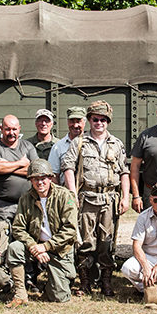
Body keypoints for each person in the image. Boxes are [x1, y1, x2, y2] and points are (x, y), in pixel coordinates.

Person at [61, 100, 130, 296]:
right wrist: (73, 194)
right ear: (89, 120)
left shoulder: (116, 144)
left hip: (109, 199)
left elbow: (124, 172)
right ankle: (85, 282)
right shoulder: (79, 142)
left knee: (107, 241)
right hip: (87, 198)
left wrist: (125, 197)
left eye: (103, 120)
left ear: (108, 121)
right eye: (95, 119)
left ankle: (106, 282)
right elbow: (68, 167)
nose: (99, 123)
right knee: (85, 240)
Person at [5, 159, 79, 307]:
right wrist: (34, 246)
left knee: (59, 297)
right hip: (35, 247)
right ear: (30, 180)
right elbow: (18, 227)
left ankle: (54, 282)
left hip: (59, 250)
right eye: (35, 179)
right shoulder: (26, 198)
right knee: (14, 248)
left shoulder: (64, 196)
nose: (40, 182)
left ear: (50, 178)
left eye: (43, 178)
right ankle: (20, 293)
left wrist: (46, 247)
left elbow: (70, 229)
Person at [0, 115, 38, 222]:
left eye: (14, 129)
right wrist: (21, 163)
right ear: (1, 129)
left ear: (19, 129)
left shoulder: (28, 146)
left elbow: (35, 171)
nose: (11, 133)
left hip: (28, 203)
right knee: (3, 236)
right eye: (7, 129)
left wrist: (6, 165)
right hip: (3, 206)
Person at [48, 106, 87, 181]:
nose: (75, 125)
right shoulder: (58, 147)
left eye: (78, 121)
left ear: (84, 122)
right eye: (72, 121)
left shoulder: (92, 144)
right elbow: (53, 175)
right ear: (67, 122)